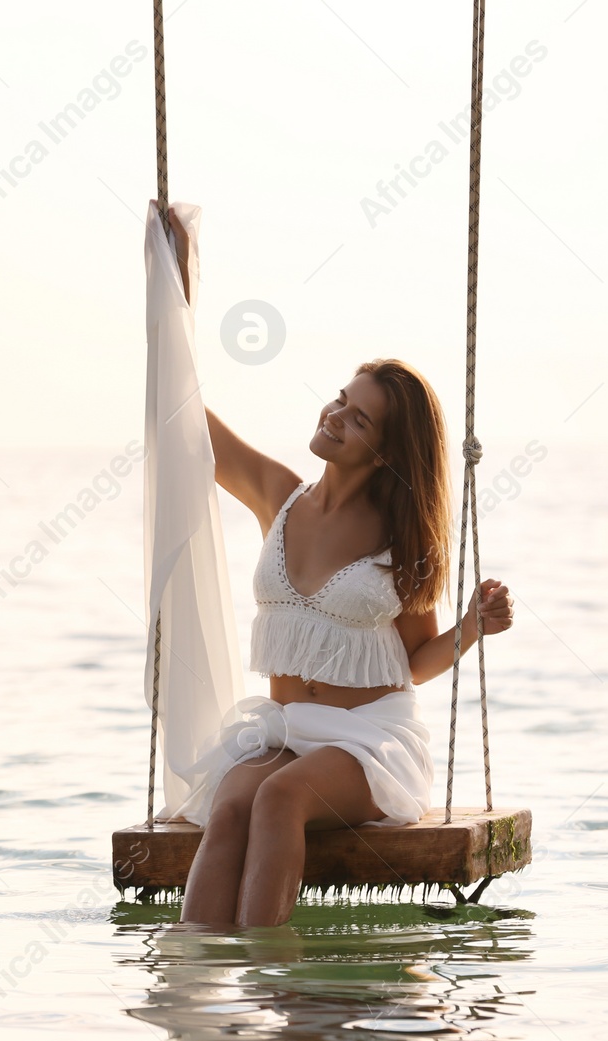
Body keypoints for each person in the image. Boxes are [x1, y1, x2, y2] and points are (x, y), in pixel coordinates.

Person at [157, 207, 516, 927]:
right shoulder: (279, 497)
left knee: (277, 798)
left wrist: (472, 628)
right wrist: (176, 297)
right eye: (341, 400)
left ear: (385, 449)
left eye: (358, 418)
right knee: (229, 804)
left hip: (369, 739)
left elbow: (413, 660)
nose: (335, 415)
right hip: (284, 727)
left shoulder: (398, 537)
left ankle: (274, 984)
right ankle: (193, 974)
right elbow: (186, 420)